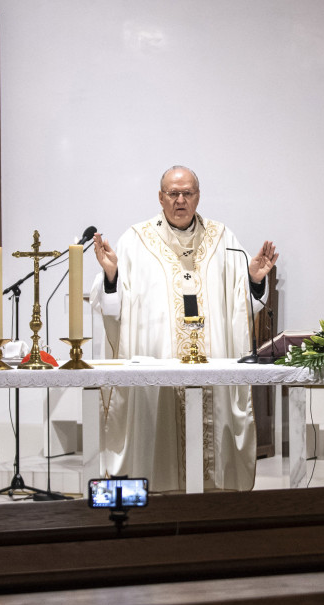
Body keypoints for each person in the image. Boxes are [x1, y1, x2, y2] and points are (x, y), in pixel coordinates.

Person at [90, 166, 278, 492]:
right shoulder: (135, 241)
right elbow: (112, 307)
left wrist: (255, 281)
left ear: (198, 197)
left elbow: (243, 304)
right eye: (173, 194)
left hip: (211, 368)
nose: (180, 200)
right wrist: (111, 277)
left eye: (187, 193)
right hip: (157, 379)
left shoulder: (223, 240)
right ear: (160, 198)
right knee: (158, 438)